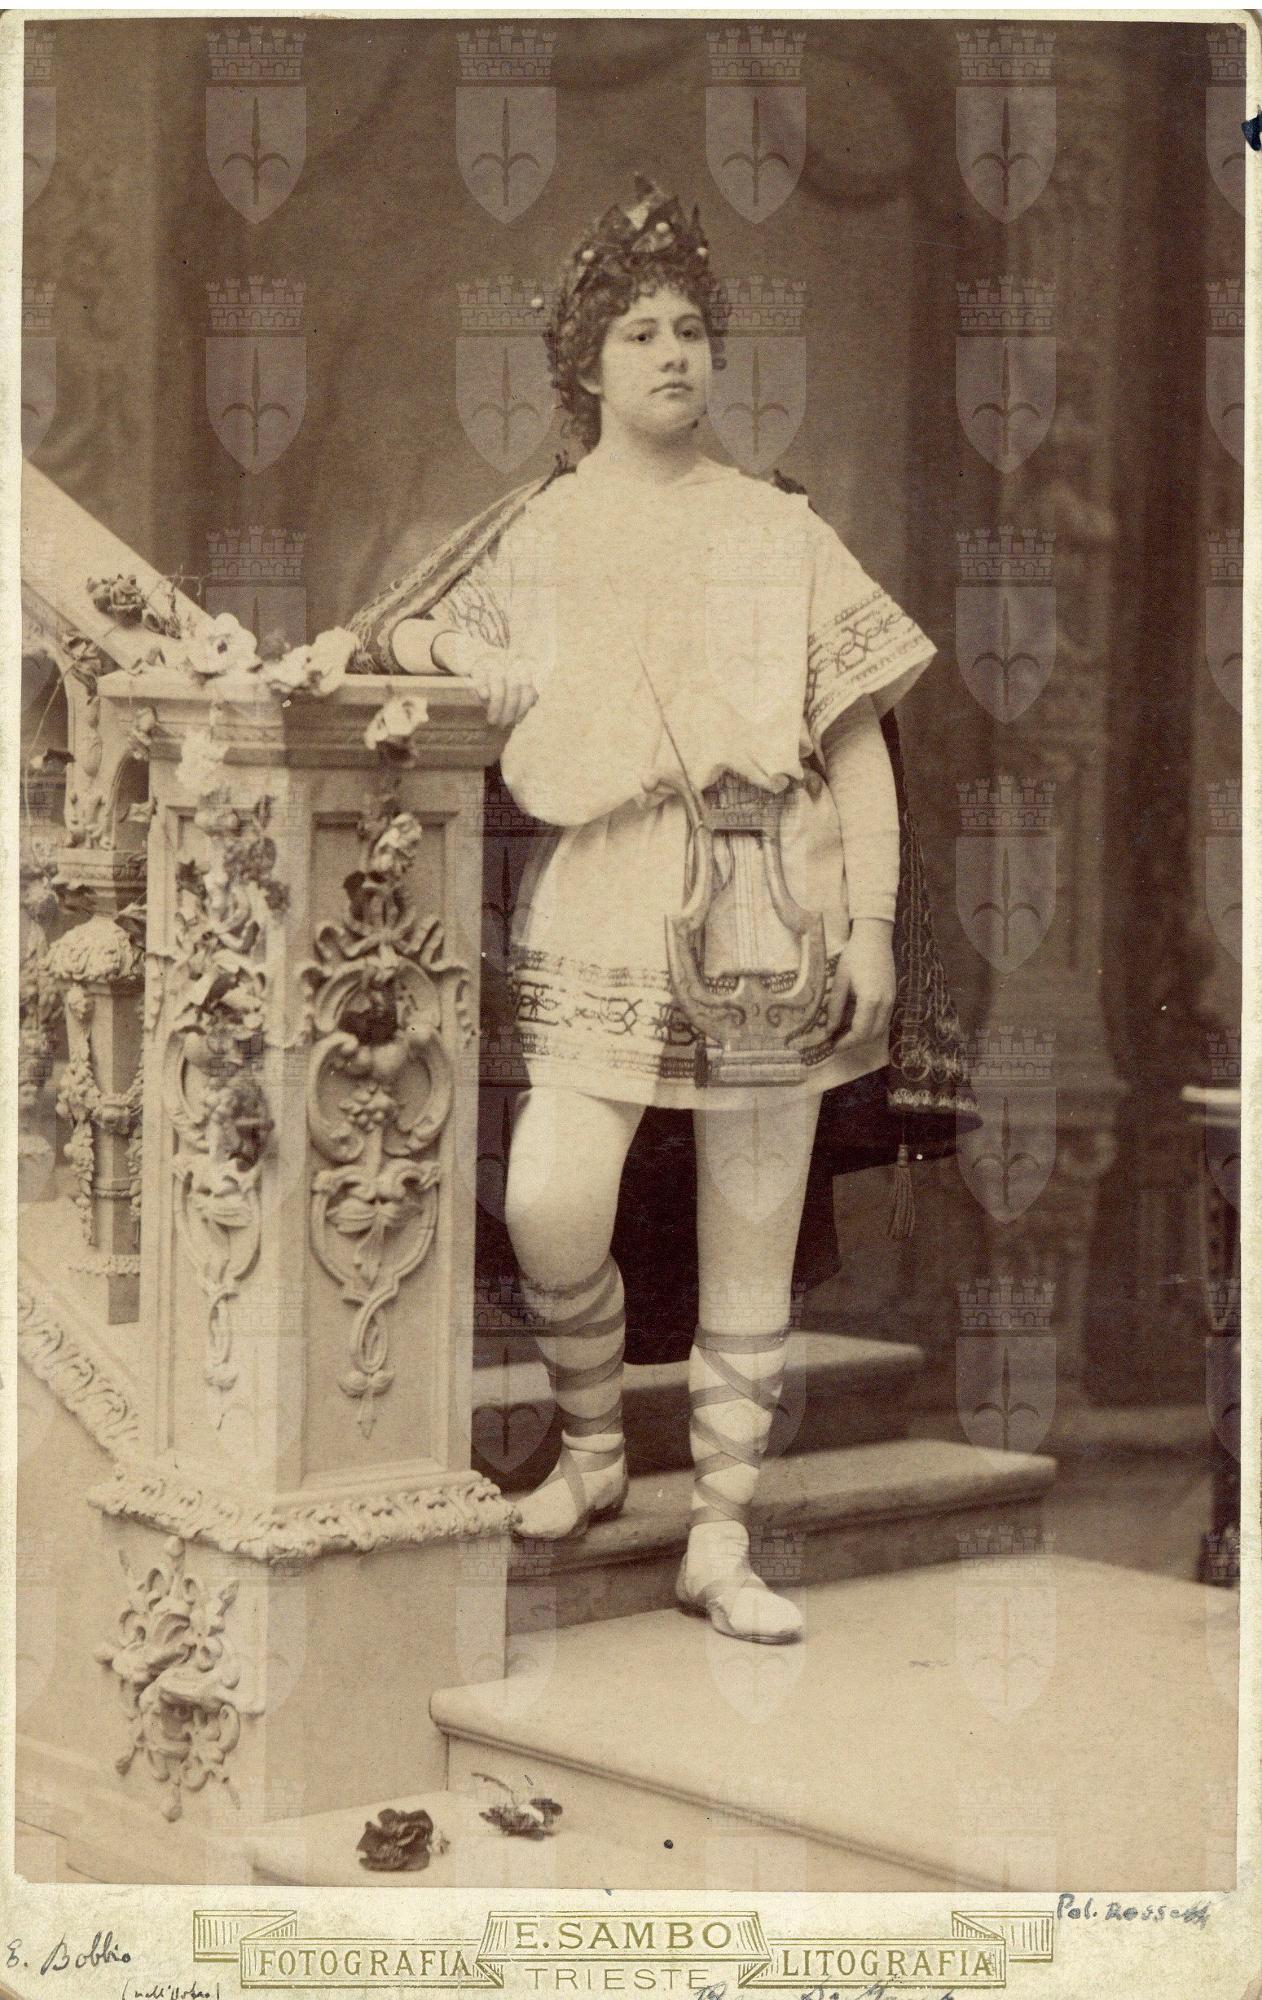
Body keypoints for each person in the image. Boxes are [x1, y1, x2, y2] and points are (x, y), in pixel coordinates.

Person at [352, 180, 965, 1645]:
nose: (672, 352)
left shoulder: (778, 528)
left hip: (773, 902)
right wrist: (446, 648)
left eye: (690, 328)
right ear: (587, 365)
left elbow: (857, 742)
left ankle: (722, 1537)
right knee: (550, 1202)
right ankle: (591, 1452)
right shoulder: (540, 530)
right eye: (639, 332)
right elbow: (422, 639)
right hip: (605, 897)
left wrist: (870, 927)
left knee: (751, 1229)